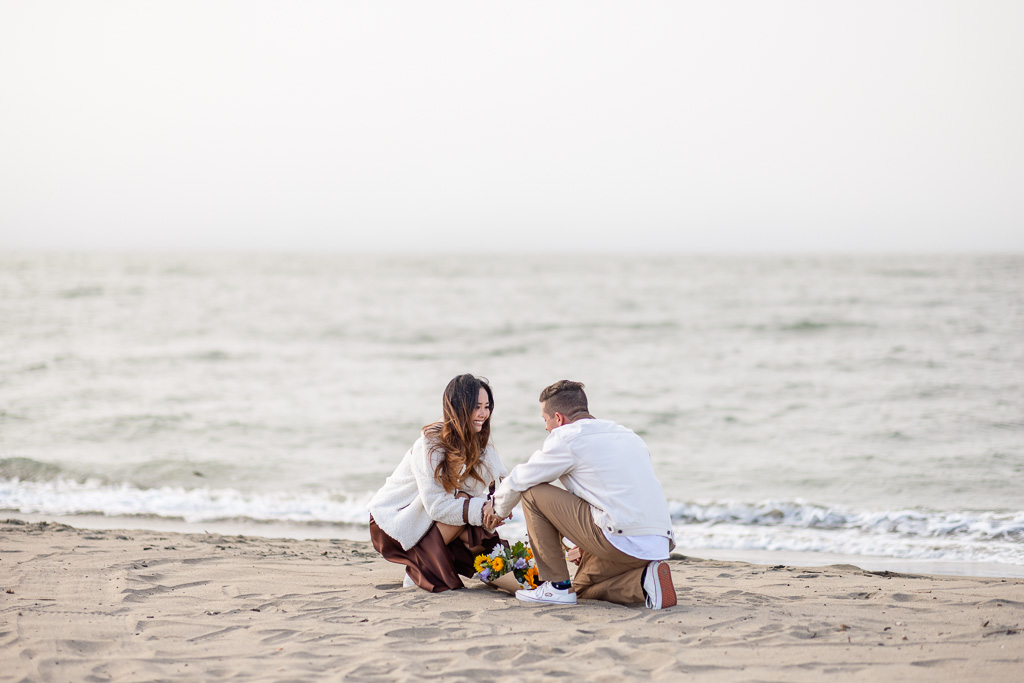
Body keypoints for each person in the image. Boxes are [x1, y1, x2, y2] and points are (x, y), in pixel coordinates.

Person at [487, 380, 677, 608]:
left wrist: (496, 510)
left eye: (545, 420)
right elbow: (615, 498)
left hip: (620, 540)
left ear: (558, 418)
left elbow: (520, 478)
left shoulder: (567, 436)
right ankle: (644, 582)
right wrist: (585, 544)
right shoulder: (628, 435)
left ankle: (556, 587)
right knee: (581, 588)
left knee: (531, 491)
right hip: (658, 543)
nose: (546, 427)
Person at [367, 374, 509, 592]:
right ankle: (420, 567)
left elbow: (499, 483)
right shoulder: (430, 444)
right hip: (395, 519)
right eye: (476, 406)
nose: (483, 414)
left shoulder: (478, 441)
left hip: (430, 516)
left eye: (487, 406)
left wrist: (499, 507)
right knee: (465, 510)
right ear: (459, 407)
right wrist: (482, 511)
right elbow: (437, 507)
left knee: (480, 537)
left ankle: (514, 578)